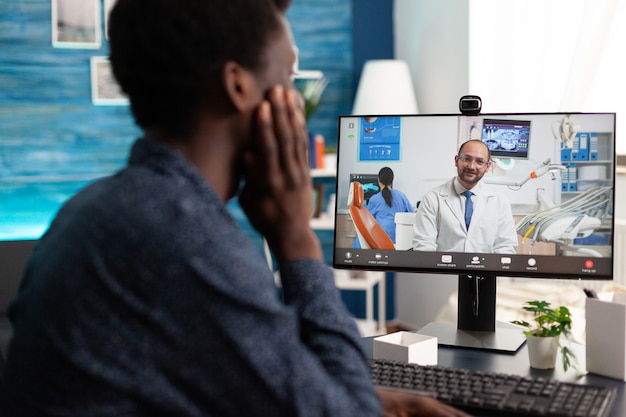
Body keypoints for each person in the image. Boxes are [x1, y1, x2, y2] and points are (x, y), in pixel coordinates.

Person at [1, 1, 469, 416]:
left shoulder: (97, 207)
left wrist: (366, 398)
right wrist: (296, 239)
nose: (293, 101)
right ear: (238, 86)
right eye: (287, 76)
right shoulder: (181, 235)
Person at [412, 139, 518, 254]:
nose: (472, 166)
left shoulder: (500, 201)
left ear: (488, 166)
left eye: (479, 161)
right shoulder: (432, 198)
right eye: (466, 159)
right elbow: (424, 246)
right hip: (444, 270)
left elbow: (505, 246)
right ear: (456, 161)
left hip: (485, 270)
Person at [352, 167, 413, 248]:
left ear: (379, 180)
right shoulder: (401, 196)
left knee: (359, 240)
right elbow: (412, 215)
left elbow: (366, 219)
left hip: (380, 239)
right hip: (398, 239)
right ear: (392, 180)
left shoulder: (375, 199)